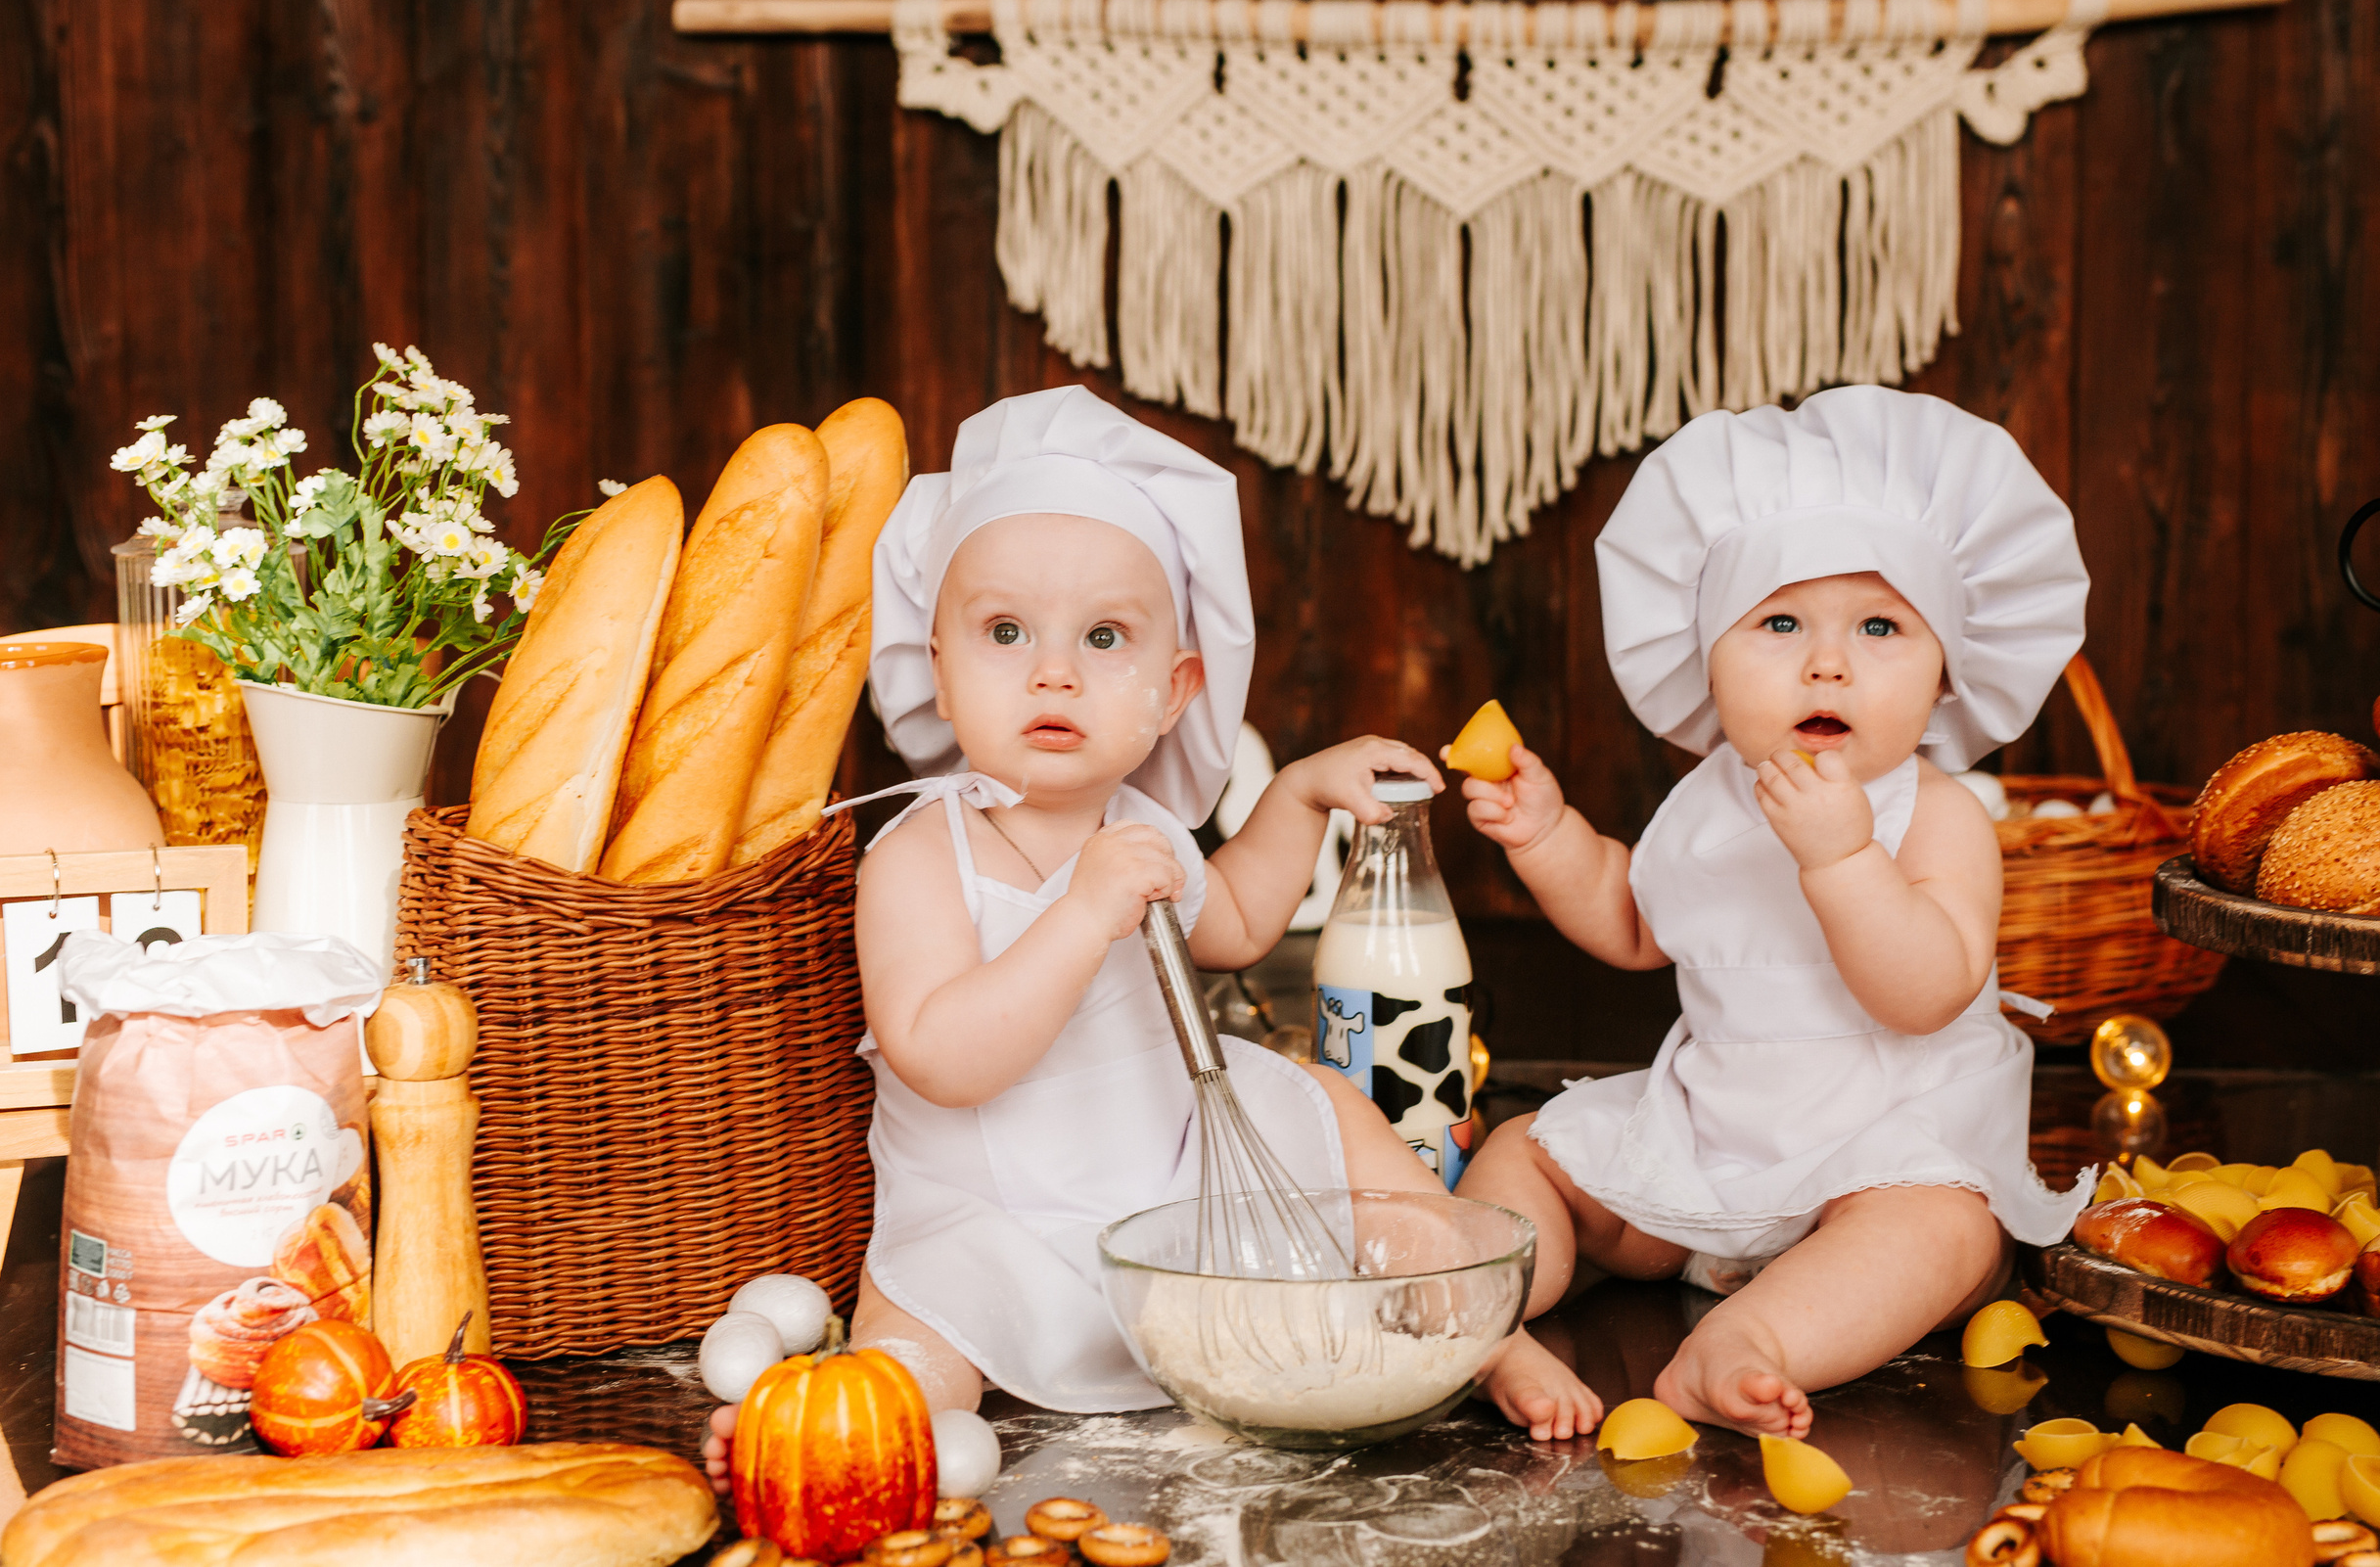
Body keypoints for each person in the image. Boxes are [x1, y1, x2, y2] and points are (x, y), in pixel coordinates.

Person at [702, 386, 1442, 1487]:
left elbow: (1233, 924)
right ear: (936, 670)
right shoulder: (918, 855)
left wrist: (1292, 800)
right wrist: (1082, 914)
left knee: (1323, 1107)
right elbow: (943, 1059)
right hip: (987, 1215)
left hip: (1170, 1191)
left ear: (1172, 693)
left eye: (1105, 637)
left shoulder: (1142, 826)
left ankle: (1455, 1309)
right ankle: (830, 1437)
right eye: (1005, 633)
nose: (1055, 671)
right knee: (921, 1329)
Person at [1460, 386, 2094, 1440]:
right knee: (1524, 1152)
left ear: (1946, 676)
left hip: (1882, 1153)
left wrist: (1842, 859)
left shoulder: (1935, 814)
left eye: (1881, 625)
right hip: (1709, 1135)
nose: (1827, 661)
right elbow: (1630, 920)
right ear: (1706, 661)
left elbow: (1928, 990)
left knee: (1949, 1231)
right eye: (1780, 623)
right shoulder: (1708, 796)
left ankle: (1750, 1342)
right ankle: (1479, 1312)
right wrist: (1548, 837)